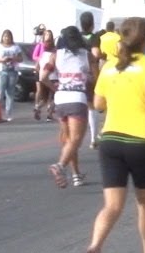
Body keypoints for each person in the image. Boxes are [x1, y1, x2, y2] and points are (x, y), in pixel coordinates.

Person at [79, 17, 145, 253]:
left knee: (112, 205)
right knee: (144, 202)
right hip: (142, 140)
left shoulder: (109, 67)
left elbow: (97, 104)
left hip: (111, 140)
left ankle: (95, 246)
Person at [43, 26, 92, 188]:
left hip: (61, 99)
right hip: (77, 98)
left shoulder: (55, 55)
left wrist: (54, 87)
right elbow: (94, 78)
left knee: (68, 140)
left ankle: (76, 174)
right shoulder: (86, 55)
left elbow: (43, 76)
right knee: (76, 140)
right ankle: (60, 166)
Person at [80, 11, 102, 149]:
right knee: (91, 107)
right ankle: (93, 138)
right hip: (89, 73)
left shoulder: (77, 37)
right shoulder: (94, 38)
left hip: (76, 74)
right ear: (92, 24)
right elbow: (95, 54)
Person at [0, 30, 23, 122]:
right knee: (0, 92)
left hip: (13, 71)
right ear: (2, 37)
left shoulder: (15, 47)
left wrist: (13, 58)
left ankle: (9, 113)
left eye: (8, 36)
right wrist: (1, 60)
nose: (6, 38)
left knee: (10, 93)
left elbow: (21, 58)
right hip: (1, 71)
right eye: (5, 36)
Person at [32, 28, 56, 122]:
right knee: (54, 96)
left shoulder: (43, 55)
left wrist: (39, 72)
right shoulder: (53, 54)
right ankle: (49, 115)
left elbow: (37, 65)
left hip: (43, 76)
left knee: (45, 98)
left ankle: (38, 107)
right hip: (52, 77)